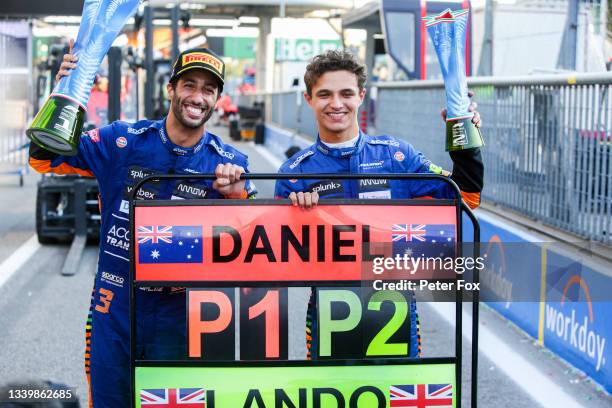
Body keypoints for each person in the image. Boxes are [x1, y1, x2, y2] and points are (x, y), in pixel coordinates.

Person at [29, 46, 255, 407]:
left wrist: (236, 196)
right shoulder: (123, 140)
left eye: (208, 90)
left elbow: (252, 247)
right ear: (170, 89)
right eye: (189, 85)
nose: (197, 97)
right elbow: (43, 157)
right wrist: (62, 94)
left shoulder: (228, 163)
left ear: (217, 100)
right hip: (115, 304)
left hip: (184, 313)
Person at [274, 50, 484, 359]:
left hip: (395, 312)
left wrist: (464, 133)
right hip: (328, 317)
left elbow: (466, 196)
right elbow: (276, 264)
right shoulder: (294, 174)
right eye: (324, 95)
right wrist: (297, 220)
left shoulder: (397, 156)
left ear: (360, 96)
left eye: (346, 93)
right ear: (309, 99)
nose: (336, 103)